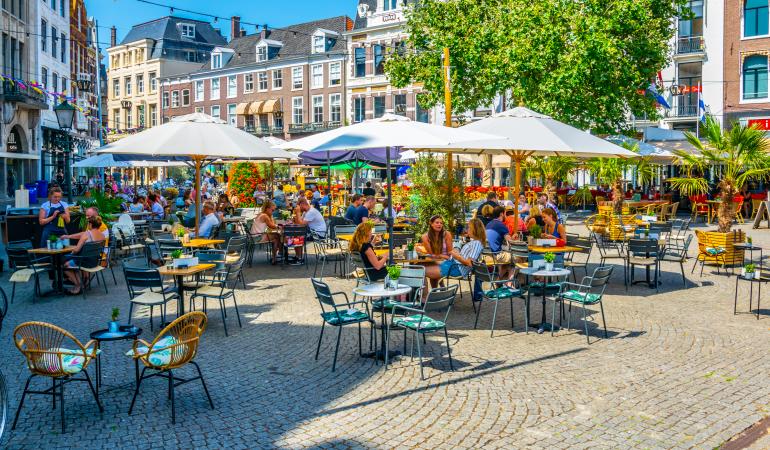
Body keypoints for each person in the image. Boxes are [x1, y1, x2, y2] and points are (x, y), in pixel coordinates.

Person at [425, 218, 486, 285]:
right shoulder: (475, 242)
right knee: (428, 264)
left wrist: (455, 255)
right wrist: (456, 252)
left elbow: (470, 263)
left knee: (420, 270)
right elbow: (465, 257)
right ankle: (442, 290)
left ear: (475, 230)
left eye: (469, 228)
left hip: (456, 268)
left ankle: (423, 295)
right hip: (453, 265)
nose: (467, 230)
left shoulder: (476, 243)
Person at [62, 215, 107, 295]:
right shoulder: (102, 236)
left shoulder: (86, 234)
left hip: (84, 262)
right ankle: (82, 281)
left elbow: (76, 250)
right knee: (71, 260)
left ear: (90, 224)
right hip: (94, 262)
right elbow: (81, 234)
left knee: (65, 265)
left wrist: (71, 253)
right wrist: (68, 236)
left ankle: (78, 285)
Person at [252, 200, 281, 265]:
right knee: (277, 236)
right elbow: (272, 226)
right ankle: (277, 256)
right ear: (267, 209)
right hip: (257, 237)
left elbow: (271, 226)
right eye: (272, 210)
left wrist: (271, 216)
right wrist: (279, 226)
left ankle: (276, 256)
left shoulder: (261, 214)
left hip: (253, 237)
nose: (273, 212)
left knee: (276, 237)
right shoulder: (265, 216)